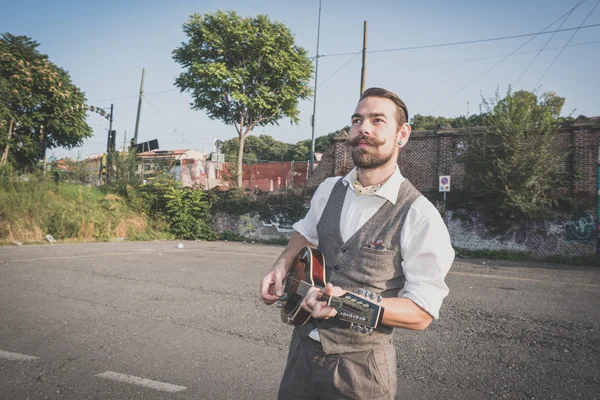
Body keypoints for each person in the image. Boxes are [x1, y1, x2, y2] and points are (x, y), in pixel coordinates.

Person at [260, 87, 454, 400]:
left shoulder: (419, 215)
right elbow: (305, 234)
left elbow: (421, 312)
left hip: (361, 373)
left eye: (378, 120)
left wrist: (342, 302)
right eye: (357, 120)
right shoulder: (327, 189)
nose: (363, 128)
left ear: (402, 134)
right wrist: (282, 264)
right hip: (301, 357)